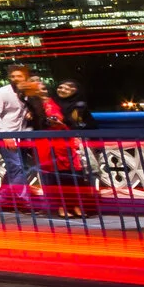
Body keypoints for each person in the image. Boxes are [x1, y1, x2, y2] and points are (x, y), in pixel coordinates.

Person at [41, 79, 99, 218]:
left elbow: (88, 126)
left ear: (76, 92)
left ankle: (78, 205)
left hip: (72, 147)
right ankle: (63, 207)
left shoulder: (80, 106)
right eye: (61, 87)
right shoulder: (50, 104)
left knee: (76, 178)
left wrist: (71, 125)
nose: (63, 90)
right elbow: (40, 122)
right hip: (54, 145)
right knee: (58, 177)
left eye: (68, 89)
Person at [0, 66, 41, 207]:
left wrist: (30, 111)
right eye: (13, 76)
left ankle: (0, 200)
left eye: (19, 76)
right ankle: (23, 200)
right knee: (17, 166)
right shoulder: (0, 93)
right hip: (5, 135)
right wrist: (6, 135)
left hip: (21, 134)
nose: (15, 79)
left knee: (16, 167)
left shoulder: (27, 92)